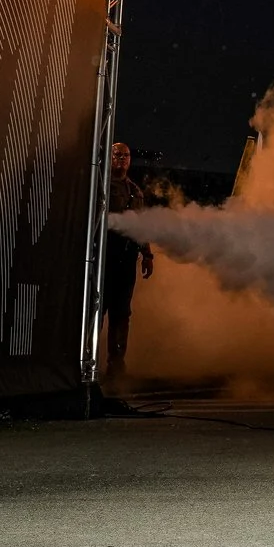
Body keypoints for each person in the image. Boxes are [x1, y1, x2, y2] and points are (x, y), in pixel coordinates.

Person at [97, 142, 153, 397]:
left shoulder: (135, 191)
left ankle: (116, 368)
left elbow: (140, 225)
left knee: (122, 316)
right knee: (95, 314)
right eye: (117, 155)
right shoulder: (100, 185)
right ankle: (86, 364)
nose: (121, 159)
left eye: (126, 155)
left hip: (126, 261)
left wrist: (147, 254)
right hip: (102, 260)